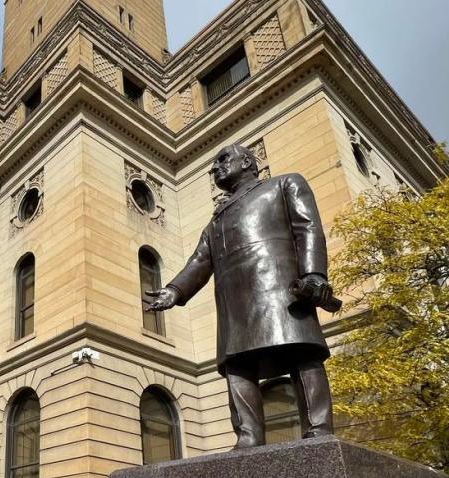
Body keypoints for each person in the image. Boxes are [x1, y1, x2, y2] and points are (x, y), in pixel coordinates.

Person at [144, 142, 336, 448]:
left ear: (247, 162)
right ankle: (248, 436)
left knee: (301, 354)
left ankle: (319, 429)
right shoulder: (215, 221)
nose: (215, 168)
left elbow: (308, 228)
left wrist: (314, 274)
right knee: (238, 368)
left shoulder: (285, 184)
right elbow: (200, 261)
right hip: (234, 305)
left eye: (223, 160)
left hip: (280, 292)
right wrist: (174, 291)